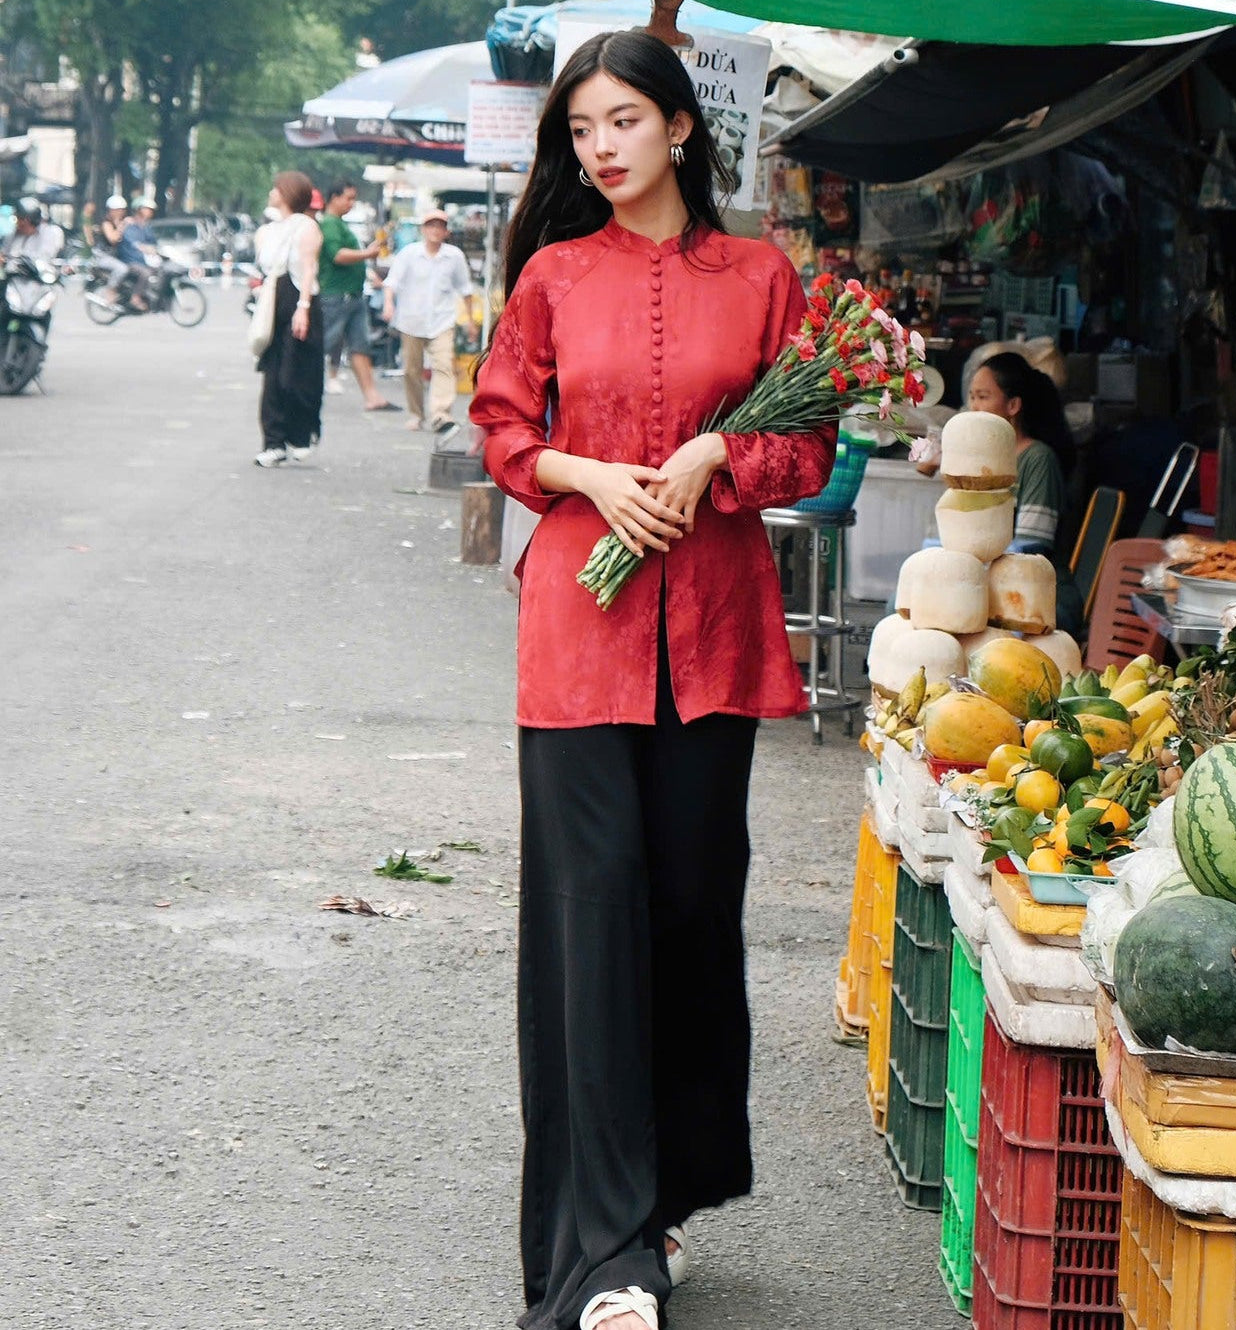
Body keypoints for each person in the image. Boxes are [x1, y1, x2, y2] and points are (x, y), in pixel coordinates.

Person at [470, 30, 835, 1330]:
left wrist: (709, 462)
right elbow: (504, 423)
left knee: (685, 914)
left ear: (682, 127)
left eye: (623, 120)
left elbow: (805, 444)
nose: (601, 148)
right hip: (578, 635)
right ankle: (600, 1253)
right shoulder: (554, 276)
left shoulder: (760, 277)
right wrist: (592, 474)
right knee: (590, 930)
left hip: (718, 634)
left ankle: (664, 1196)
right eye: (580, 131)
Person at [967, 350, 1084, 634]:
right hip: (992, 584)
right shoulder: (982, 458)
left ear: (1013, 405)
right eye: (972, 397)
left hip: (1039, 596)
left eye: (983, 397)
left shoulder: (1038, 459)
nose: (974, 407)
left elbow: (1030, 549)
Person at [381, 209, 475, 437]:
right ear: (423, 230)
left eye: (439, 226)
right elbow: (391, 282)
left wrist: (470, 321)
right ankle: (416, 413)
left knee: (443, 365)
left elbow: (465, 290)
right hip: (411, 320)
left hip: (442, 320)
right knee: (412, 370)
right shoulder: (409, 254)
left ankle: (441, 413)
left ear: (446, 231)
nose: (435, 230)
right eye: (431, 225)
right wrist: (388, 304)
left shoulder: (454, 256)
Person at [254, 170, 324, 468]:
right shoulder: (268, 231)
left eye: (277, 188)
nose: (272, 192)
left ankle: (301, 433)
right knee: (273, 376)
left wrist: (303, 307)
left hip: (299, 302)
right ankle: (273, 442)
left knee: (298, 375)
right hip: (274, 304)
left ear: (288, 192)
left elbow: (308, 269)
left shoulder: (306, 227)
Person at [317, 179, 397, 411]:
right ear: (334, 198)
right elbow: (337, 255)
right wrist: (366, 253)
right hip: (336, 296)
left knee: (360, 347)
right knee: (323, 345)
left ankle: (372, 396)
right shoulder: (330, 224)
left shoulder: (339, 224)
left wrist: (368, 251)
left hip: (352, 295)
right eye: (348, 198)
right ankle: (296, 387)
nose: (352, 203)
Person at [99, 194, 151, 310]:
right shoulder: (106, 223)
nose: (120, 213)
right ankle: (110, 291)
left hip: (117, 255)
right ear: (111, 210)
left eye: (122, 210)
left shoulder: (123, 221)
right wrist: (123, 225)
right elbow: (113, 239)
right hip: (103, 256)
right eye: (117, 210)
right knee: (122, 268)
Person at [1, 198, 64, 262]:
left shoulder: (51, 232)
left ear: (27, 220)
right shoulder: (13, 235)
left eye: (19, 219)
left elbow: (45, 258)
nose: (17, 224)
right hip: (11, 271)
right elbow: (3, 254)